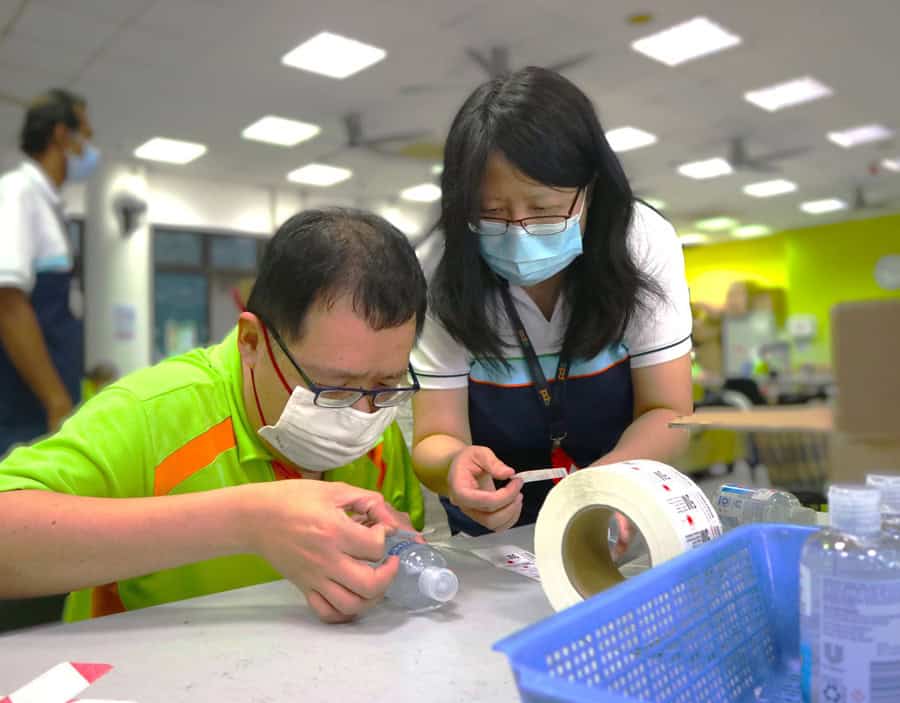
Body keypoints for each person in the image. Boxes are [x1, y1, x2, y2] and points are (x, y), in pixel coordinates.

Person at [0, 208, 427, 627]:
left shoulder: (375, 429)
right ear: (252, 342)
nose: (360, 414)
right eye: (333, 388)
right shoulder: (156, 414)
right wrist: (249, 521)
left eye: (386, 386)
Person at [411, 67, 693, 536]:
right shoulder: (438, 267)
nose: (518, 233)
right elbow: (434, 437)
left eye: (543, 210)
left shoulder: (641, 241)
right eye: (491, 214)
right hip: (494, 524)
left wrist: (612, 486)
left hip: (618, 499)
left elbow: (668, 412)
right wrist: (455, 466)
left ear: (591, 186)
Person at [0, 89, 99, 457]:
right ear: (61, 134)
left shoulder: (50, 205)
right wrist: (56, 400)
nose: (89, 150)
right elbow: (7, 302)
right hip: (23, 417)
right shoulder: (18, 192)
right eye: (85, 136)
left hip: (44, 411)